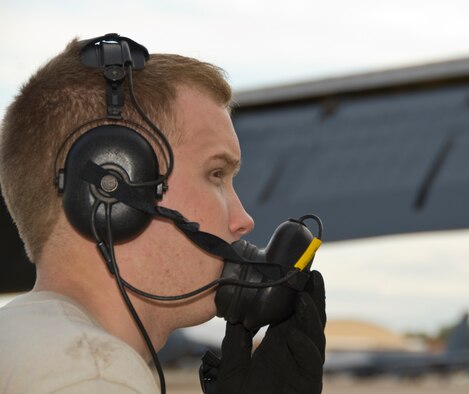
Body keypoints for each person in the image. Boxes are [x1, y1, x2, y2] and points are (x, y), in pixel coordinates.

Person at [0, 34, 325, 393]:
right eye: (215, 174)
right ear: (112, 188)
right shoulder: (91, 373)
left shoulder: (25, 340)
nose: (243, 220)